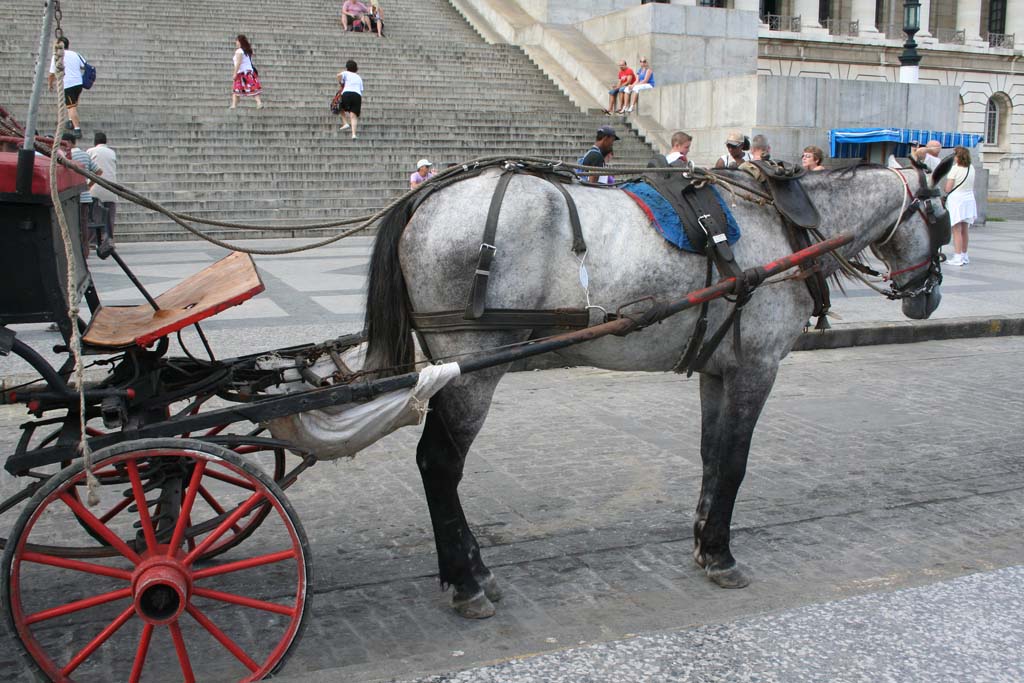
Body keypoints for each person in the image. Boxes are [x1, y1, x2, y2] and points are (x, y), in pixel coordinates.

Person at [62, 132, 101, 255]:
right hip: (85, 196)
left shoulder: (64, 157)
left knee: (72, 225)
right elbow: (99, 171)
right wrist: (88, 185)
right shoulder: (85, 155)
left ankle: (73, 251)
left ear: (68, 143)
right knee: (83, 225)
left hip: (71, 197)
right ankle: (85, 251)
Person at [944, 146, 977, 267]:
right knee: (965, 229)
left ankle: (957, 256)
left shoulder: (955, 169)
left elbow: (947, 188)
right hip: (969, 199)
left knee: (956, 230)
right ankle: (964, 254)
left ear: (958, 157)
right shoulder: (971, 168)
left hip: (957, 200)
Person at [47, 37, 86, 138]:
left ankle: (77, 129)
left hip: (68, 84)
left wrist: (50, 84)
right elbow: (84, 65)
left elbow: (51, 74)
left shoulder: (57, 56)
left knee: (71, 106)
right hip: (78, 83)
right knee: (73, 103)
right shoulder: (75, 54)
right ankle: (70, 121)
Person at [86, 131, 117, 252]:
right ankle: (108, 239)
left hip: (95, 187)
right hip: (111, 186)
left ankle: (93, 240)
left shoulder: (91, 151)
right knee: (110, 215)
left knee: (95, 215)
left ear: (95, 142)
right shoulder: (112, 152)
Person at [231, 35, 264, 110]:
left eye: (236, 41)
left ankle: (234, 105)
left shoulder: (239, 51)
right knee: (253, 88)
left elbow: (238, 63)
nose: (236, 43)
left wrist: (235, 73)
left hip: (242, 73)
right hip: (249, 73)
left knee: (236, 89)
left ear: (239, 42)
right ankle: (259, 103)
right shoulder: (246, 51)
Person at [336, 60, 363, 139]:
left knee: (340, 107)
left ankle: (345, 123)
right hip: (357, 95)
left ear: (347, 67)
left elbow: (338, 75)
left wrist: (341, 82)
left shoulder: (346, 73)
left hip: (347, 93)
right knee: (353, 116)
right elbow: (361, 90)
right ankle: (353, 134)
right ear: (356, 68)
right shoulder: (359, 77)